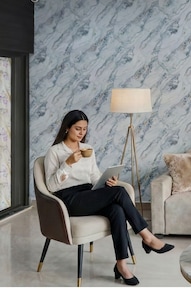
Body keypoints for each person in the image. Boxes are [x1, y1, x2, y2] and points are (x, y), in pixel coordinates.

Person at [44, 110, 174, 286]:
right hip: (68, 199)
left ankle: (121, 264)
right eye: (77, 128)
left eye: (84, 129)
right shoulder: (55, 152)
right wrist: (67, 164)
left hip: (87, 193)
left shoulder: (87, 149)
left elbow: (93, 177)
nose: (81, 133)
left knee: (116, 209)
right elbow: (51, 187)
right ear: (67, 128)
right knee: (119, 192)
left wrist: (106, 182)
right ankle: (147, 237)